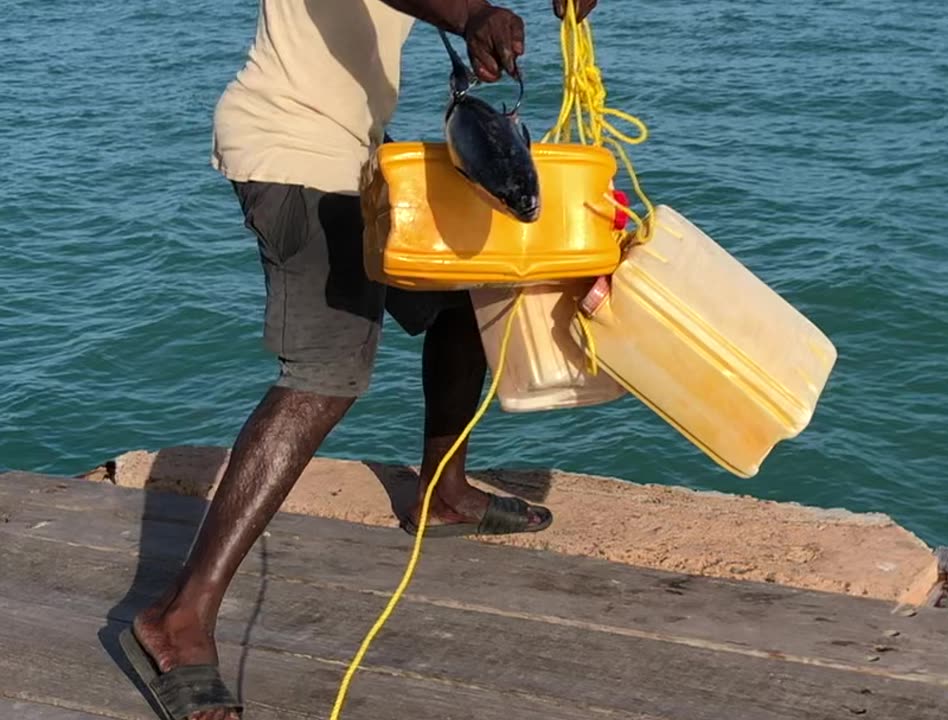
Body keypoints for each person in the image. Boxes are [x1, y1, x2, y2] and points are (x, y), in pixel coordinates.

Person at [120, 1, 597, 718]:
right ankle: (176, 619)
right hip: (294, 153)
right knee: (325, 375)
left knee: (464, 299)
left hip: (360, 154)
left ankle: (444, 492)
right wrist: (472, 16)